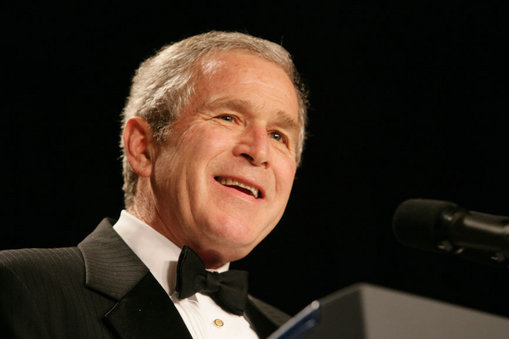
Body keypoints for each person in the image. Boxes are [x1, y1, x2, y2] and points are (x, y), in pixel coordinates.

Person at [0, 30, 308, 338]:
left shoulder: (303, 331)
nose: (258, 151)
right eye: (228, 117)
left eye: (279, 135)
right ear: (143, 147)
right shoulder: (19, 288)